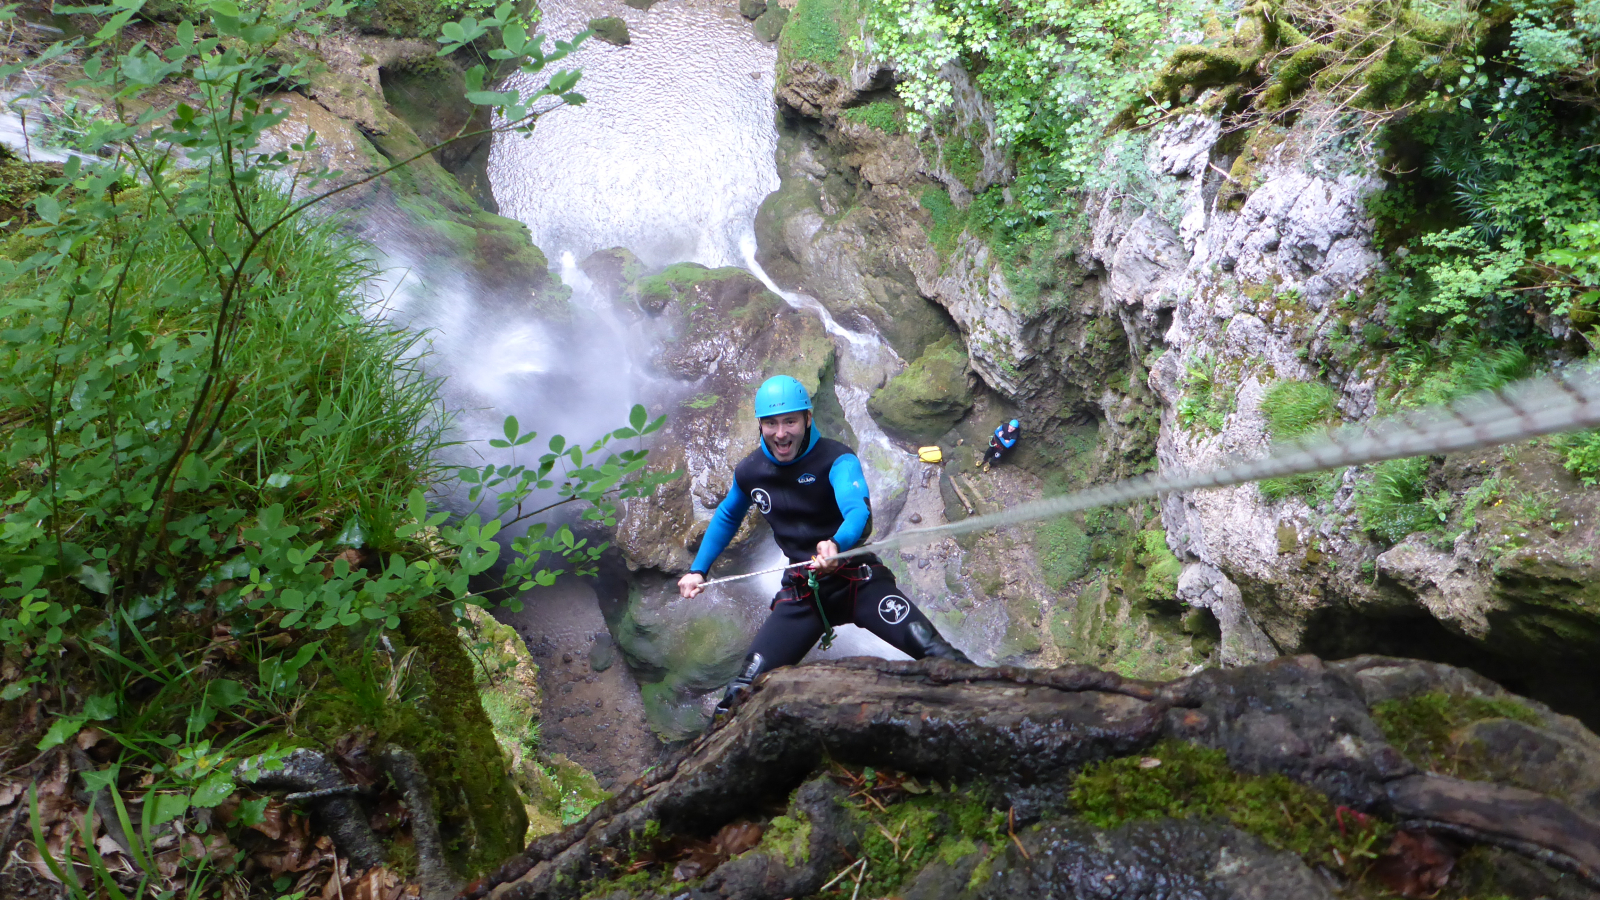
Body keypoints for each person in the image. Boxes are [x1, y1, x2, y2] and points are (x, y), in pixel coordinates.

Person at [679, 375, 973, 714]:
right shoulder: (750, 471)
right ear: (759, 425)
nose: (781, 433)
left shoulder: (836, 459)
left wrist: (835, 544)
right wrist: (698, 569)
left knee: (937, 653)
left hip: (857, 581)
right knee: (741, 693)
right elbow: (728, 516)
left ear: (808, 418)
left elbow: (857, 510)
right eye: (771, 423)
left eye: (790, 420)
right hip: (804, 593)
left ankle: (994, 716)